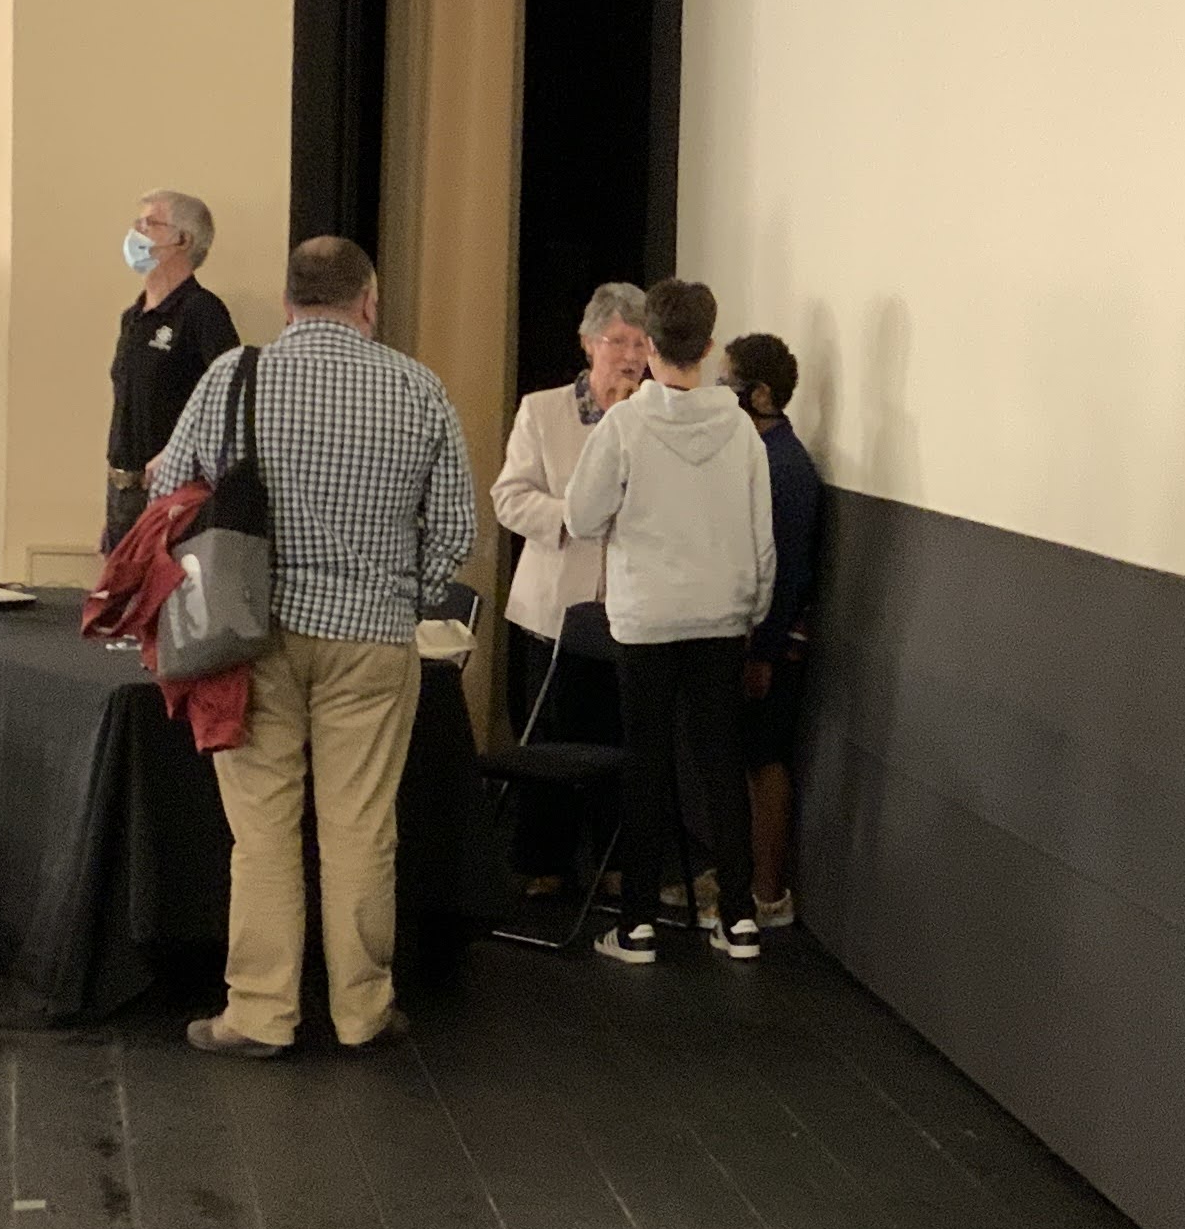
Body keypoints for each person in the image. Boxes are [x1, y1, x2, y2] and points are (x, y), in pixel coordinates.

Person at [140, 237, 475, 1056]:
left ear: (288, 302)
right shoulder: (418, 387)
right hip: (372, 638)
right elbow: (455, 529)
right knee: (361, 829)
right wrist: (401, 591)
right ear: (369, 301)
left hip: (250, 630)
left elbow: (167, 489)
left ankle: (259, 1012)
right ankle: (363, 1011)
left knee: (262, 831)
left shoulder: (234, 376)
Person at [563, 278, 773, 965]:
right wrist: (752, 610)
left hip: (646, 616)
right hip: (722, 615)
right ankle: (739, 920)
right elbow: (762, 536)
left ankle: (637, 927)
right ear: (709, 348)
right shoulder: (740, 429)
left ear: (649, 344)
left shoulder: (625, 426)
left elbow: (581, 517)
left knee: (646, 764)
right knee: (721, 763)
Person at [487, 282, 648, 872]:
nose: (630, 356)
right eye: (617, 341)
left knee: (619, 742)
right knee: (551, 740)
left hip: (629, 611)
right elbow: (509, 498)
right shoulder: (543, 410)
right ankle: (543, 867)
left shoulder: (654, 418)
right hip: (553, 609)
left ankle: (614, 868)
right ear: (588, 343)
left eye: (641, 343)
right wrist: (572, 517)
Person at [723, 331, 823, 929]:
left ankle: (767, 893)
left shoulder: (785, 465)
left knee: (765, 759)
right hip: (753, 635)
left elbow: (786, 570)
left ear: (760, 394)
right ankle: (740, 879)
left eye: (729, 382)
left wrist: (762, 651)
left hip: (772, 644)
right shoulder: (757, 455)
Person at [104, 189, 242, 551]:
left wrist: (175, 452)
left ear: (183, 240)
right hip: (123, 490)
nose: (136, 233)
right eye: (137, 223)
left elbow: (231, 399)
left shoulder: (202, 312)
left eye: (149, 224)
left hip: (173, 492)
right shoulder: (133, 317)